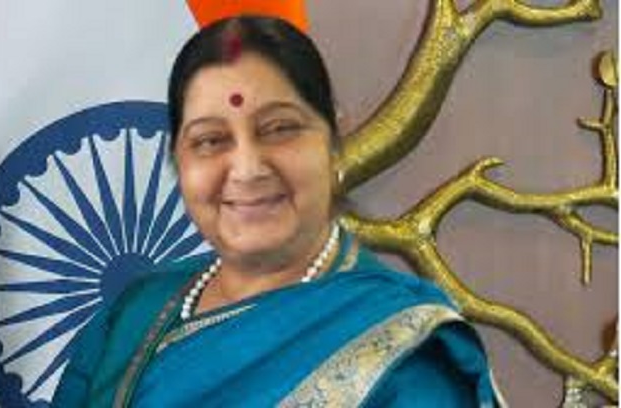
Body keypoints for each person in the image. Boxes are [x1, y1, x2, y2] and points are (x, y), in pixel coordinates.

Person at [52, 15, 502, 407]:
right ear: (178, 159)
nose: (247, 169)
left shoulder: (404, 351)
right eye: (210, 140)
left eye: (279, 129)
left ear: (332, 138)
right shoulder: (135, 313)